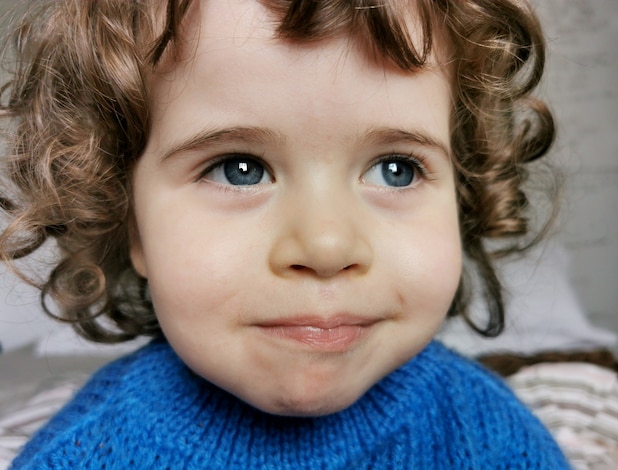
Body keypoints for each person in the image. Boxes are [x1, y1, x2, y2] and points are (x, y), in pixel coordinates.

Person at [0, 0, 569, 468]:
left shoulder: (492, 439)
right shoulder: (85, 456)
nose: (326, 247)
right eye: (238, 169)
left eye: (396, 168)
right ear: (129, 221)